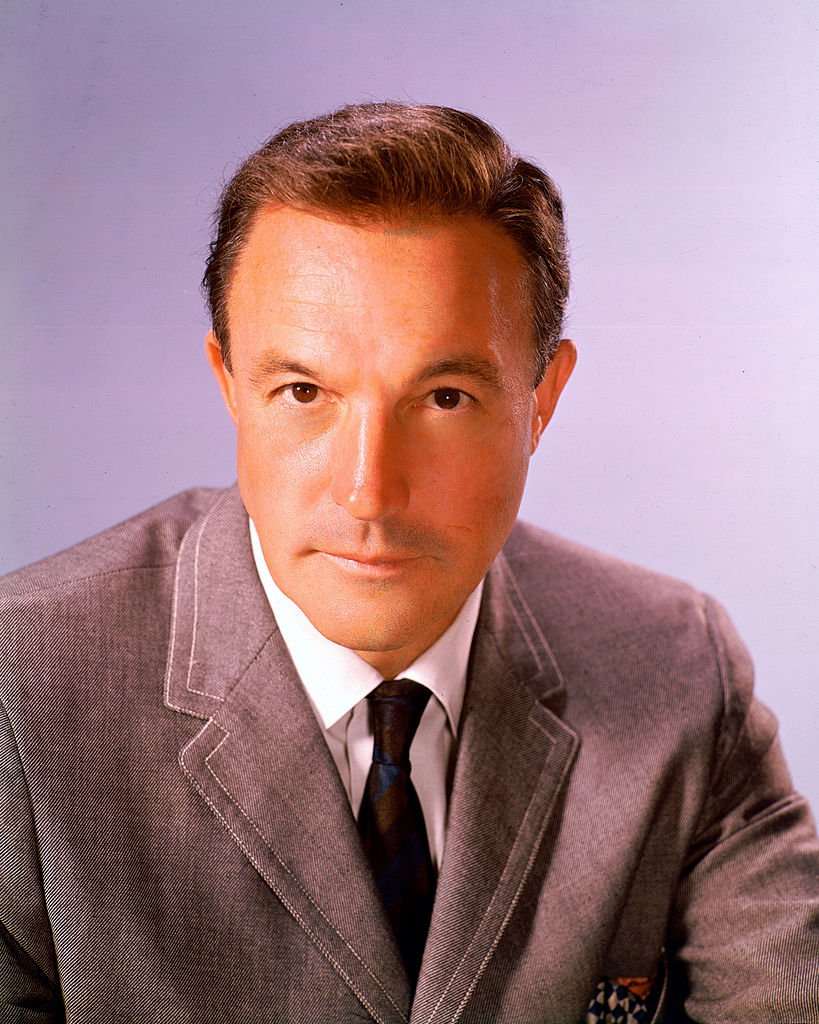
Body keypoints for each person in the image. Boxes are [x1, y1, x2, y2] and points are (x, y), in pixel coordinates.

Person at [1, 102, 816, 1024]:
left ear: (542, 398)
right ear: (229, 384)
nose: (368, 491)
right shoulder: (21, 693)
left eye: (443, 396)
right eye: (303, 391)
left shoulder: (677, 666)